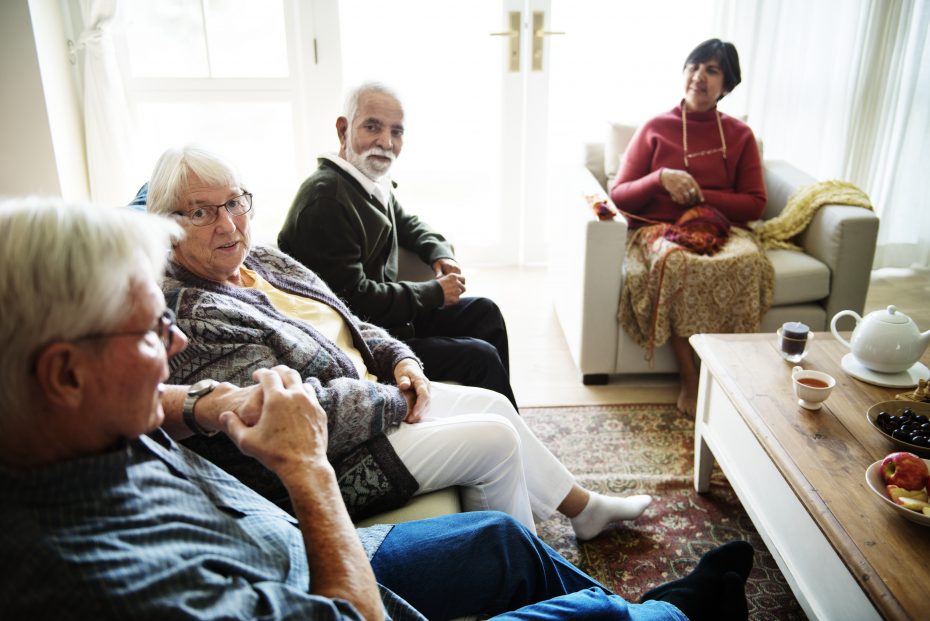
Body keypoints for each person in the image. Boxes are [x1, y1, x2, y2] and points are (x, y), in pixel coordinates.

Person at [0, 197, 756, 620]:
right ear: (64, 372)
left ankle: (642, 610)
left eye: (235, 201)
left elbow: (343, 312)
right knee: (592, 617)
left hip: (294, 541)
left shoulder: (74, 418)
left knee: (500, 537)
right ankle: (668, 616)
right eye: (151, 330)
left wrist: (199, 402)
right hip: (325, 573)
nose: (173, 338)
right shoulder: (106, 582)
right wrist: (307, 468)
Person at [144, 144, 653, 540]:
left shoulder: (260, 260)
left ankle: (580, 511)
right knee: (494, 442)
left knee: (495, 404)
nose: (230, 223)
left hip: (371, 397)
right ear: (167, 225)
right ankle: (520, 580)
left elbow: (346, 319)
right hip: (329, 454)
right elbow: (286, 415)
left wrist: (401, 358)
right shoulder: (196, 314)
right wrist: (396, 396)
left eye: (234, 202)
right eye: (203, 212)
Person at [278, 82, 517, 407]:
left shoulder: (367, 181)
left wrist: (439, 253)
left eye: (397, 131)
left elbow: (408, 224)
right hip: (361, 343)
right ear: (343, 130)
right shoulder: (326, 200)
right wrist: (433, 292)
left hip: (391, 319)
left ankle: (502, 415)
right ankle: (499, 430)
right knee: (480, 357)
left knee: (485, 313)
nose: (386, 142)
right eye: (373, 127)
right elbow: (353, 300)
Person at [609, 39, 774, 416]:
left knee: (747, 263)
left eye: (712, 70)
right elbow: (620, 194)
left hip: (720, 230)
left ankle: (732, 376)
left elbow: (754, 203)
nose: (699, 76)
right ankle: (691, 379)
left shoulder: (740, 136)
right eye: (694, 66)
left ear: (727, 85)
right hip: (659, 230)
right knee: (679, 264)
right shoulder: (655, 127)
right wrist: (660, 179)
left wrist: (703, 197)